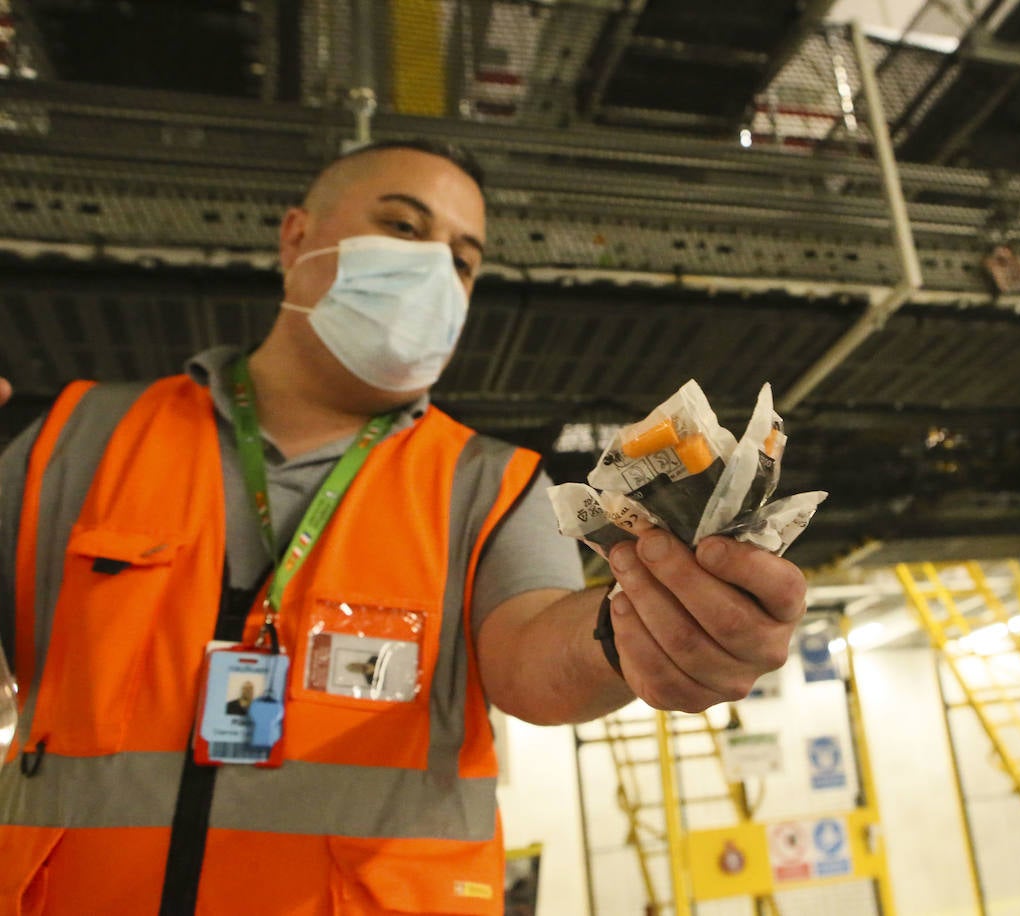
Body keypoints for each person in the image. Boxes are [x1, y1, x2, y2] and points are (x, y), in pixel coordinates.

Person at [0, 139, 807, 914]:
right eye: (403, 226)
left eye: (461, 260)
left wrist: (632, 629)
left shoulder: (488, 483)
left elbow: (531, 652)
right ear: (297, 236)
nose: (433, 269)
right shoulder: (78, 438)